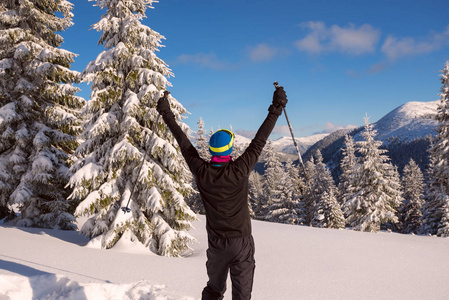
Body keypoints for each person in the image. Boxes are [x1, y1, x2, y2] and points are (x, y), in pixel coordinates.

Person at [157, 86, 288, 300]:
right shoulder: (240, 169)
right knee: (242, 295)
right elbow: (259, 141)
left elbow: (184, 144)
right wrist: (276, 108)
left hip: (217, 243)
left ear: (211, 151)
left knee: (214, 290)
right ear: (229, 150)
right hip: (241, 243)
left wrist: (166, 113)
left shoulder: (201, 171)